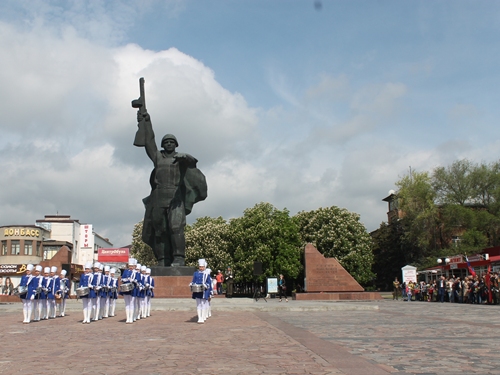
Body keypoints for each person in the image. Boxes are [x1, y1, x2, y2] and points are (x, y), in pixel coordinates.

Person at [134, 109, 207, 267]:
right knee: (160, 230)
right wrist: (146, 121)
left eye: (171, 142)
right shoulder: (158, 158)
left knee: (175, 228)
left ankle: (179, 257)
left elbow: (193, 163)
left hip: (176, 199)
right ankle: (163, 259)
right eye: (166, 142)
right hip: (159, 198)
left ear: (176, 145)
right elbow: (149, 142)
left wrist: (185, 157)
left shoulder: (180, 159)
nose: (168, 144)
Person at [190, 259, 211, 323]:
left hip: (204, 291)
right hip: (197, 290)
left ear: (204, 267)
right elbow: (194, 280)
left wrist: (206, 285)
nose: (201, 268)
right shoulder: (196, 273)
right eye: (200, 267)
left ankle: (203, 316)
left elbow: (209, 282)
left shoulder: (206, 274)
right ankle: (199, 317)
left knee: (203, 304)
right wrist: (192, 284)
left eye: (202, 267)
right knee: (198, 304)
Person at [120, 258, 138, 324]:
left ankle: (131, 317)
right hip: (126, 289)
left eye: (132, 266)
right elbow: (122, 278)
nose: (131, 267)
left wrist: (133, 280)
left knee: (132, 303)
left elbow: (138, 280)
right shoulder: (125, 271)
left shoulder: (136, 273)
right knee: (127, 304)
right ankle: (128, 318)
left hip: (133, 289)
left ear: (134, 266)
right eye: (130, 266)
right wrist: (124, 279)